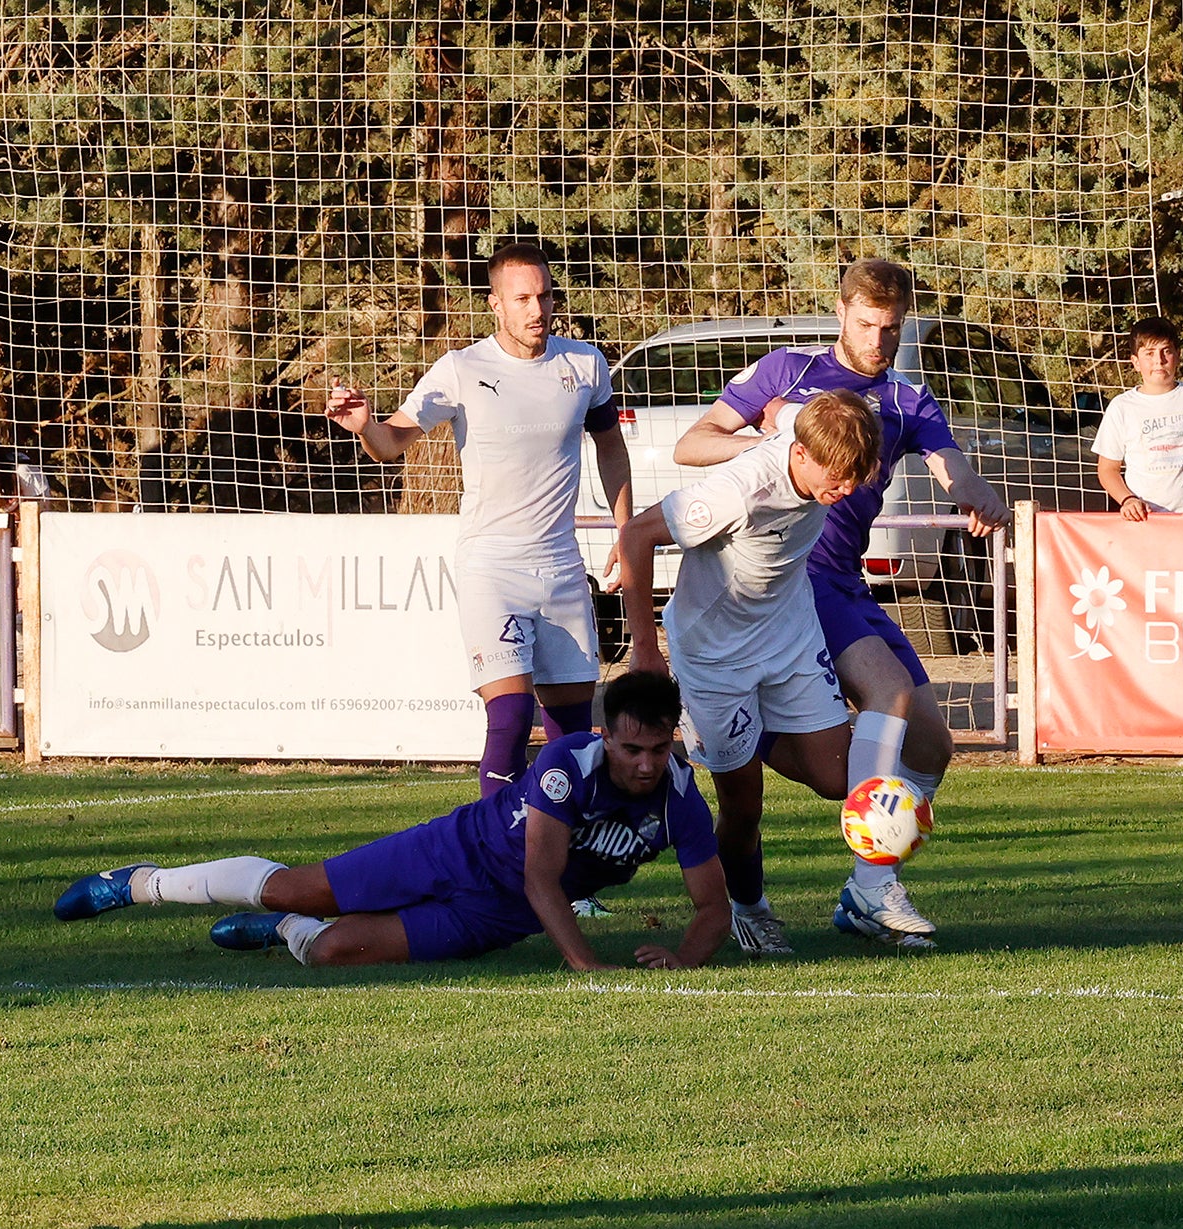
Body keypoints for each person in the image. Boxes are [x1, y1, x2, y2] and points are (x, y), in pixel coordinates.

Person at [670, 258, 1009, 942]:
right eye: (866, 325)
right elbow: (691, 442)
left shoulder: (909, 402)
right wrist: (774, 437)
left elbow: (952, 467)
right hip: (798, 577)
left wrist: (978, 495)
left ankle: (749, 737)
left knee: (932, 745)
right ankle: (872, 884)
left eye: (891, 328)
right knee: (890, 696)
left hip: (847, 580)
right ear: (840, 311)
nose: (879, 341)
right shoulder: (785, 373)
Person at [53, 671, 728, 972]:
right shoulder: (564, 764)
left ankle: (286, 934)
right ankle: (140, 882)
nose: (645, 763)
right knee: (295, 884)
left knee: (333, 951)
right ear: (605, 736)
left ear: (673, 739)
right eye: (631, 747)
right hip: (453, 853)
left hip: (493, 916)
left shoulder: (678, 796)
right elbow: (543, 878)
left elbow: (711, 907)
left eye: (658, 747)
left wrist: (685, 957)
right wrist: (583, 962)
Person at [325, 243, 633, 798]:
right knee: (512, 717)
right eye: (522, 299)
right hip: (492, 566)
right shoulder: (462, 369)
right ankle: (493, 865)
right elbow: (391, 442)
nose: (537, 309)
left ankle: (562, 875)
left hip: (562, 565)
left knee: (573, 742)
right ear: (496, 304)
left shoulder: (584, 364)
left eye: (543, 295)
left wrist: (626, 530)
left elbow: (610, 447)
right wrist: (365, 425)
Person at [619, 391, 921, 952]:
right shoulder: (737, 491)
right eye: (838, 479)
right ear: (800, 454)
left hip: (789, 636)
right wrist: (644, 648)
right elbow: (637, 534)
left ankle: (864, 894)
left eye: (856, 478)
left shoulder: (815, 437)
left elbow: (781, 405)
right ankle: (748, 908)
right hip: (715, 657)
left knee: (838, 781)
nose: (847, 491)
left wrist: (779, 409)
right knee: (743, 805)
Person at [1093, 315, 1183, 520]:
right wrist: (1127, 500)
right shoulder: (1121, 407)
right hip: (1145, 518)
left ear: (1178, 355)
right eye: (1149, 353)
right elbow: (1108, 469)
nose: (1159, 360)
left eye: (1166, 351)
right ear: (1135, 362)